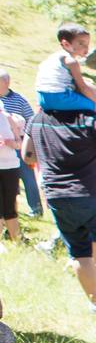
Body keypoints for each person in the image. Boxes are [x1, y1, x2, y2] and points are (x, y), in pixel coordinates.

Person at [23, 101, 96, 322]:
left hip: (58, 197)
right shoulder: (86, 118)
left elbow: (28, 155)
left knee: (79, 251)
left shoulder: (38, 119)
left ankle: (95, 302)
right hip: (93, 194)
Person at [35, 23, 96, 115]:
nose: (86, 48)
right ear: (66, 44)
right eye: (81, 44)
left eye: (87, 44)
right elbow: (83, 87)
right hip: (59, 97)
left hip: (42, 98)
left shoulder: (52, 58)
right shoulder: (71, 61)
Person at [0, 71, 44, 217]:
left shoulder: (19, 100)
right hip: (2, 146)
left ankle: (36, 209)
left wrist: (22, 137)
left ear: (6, 83)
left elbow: (31, 120)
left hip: (19, 143)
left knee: (27, 177)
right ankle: (9, 210)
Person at [0, 103, 22, 241]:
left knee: (10, 205)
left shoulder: (8, 118)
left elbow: (20, 143)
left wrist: (11, 143)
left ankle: (17, 240)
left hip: (11, 167)